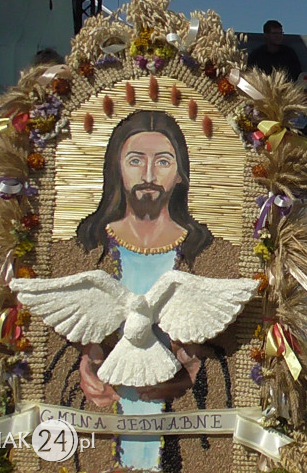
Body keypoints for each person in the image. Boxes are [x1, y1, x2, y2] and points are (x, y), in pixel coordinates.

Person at [52, 110, 238, 472]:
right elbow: (54, 331)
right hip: (106, 418)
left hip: (180, 424)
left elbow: (233, 341)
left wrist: (196, 369)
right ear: (116, 168)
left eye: (163, 161)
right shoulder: (85, 250)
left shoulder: (212, 254)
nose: (149, 176)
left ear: (181, 173)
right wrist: (84, 364)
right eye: (135, 160)